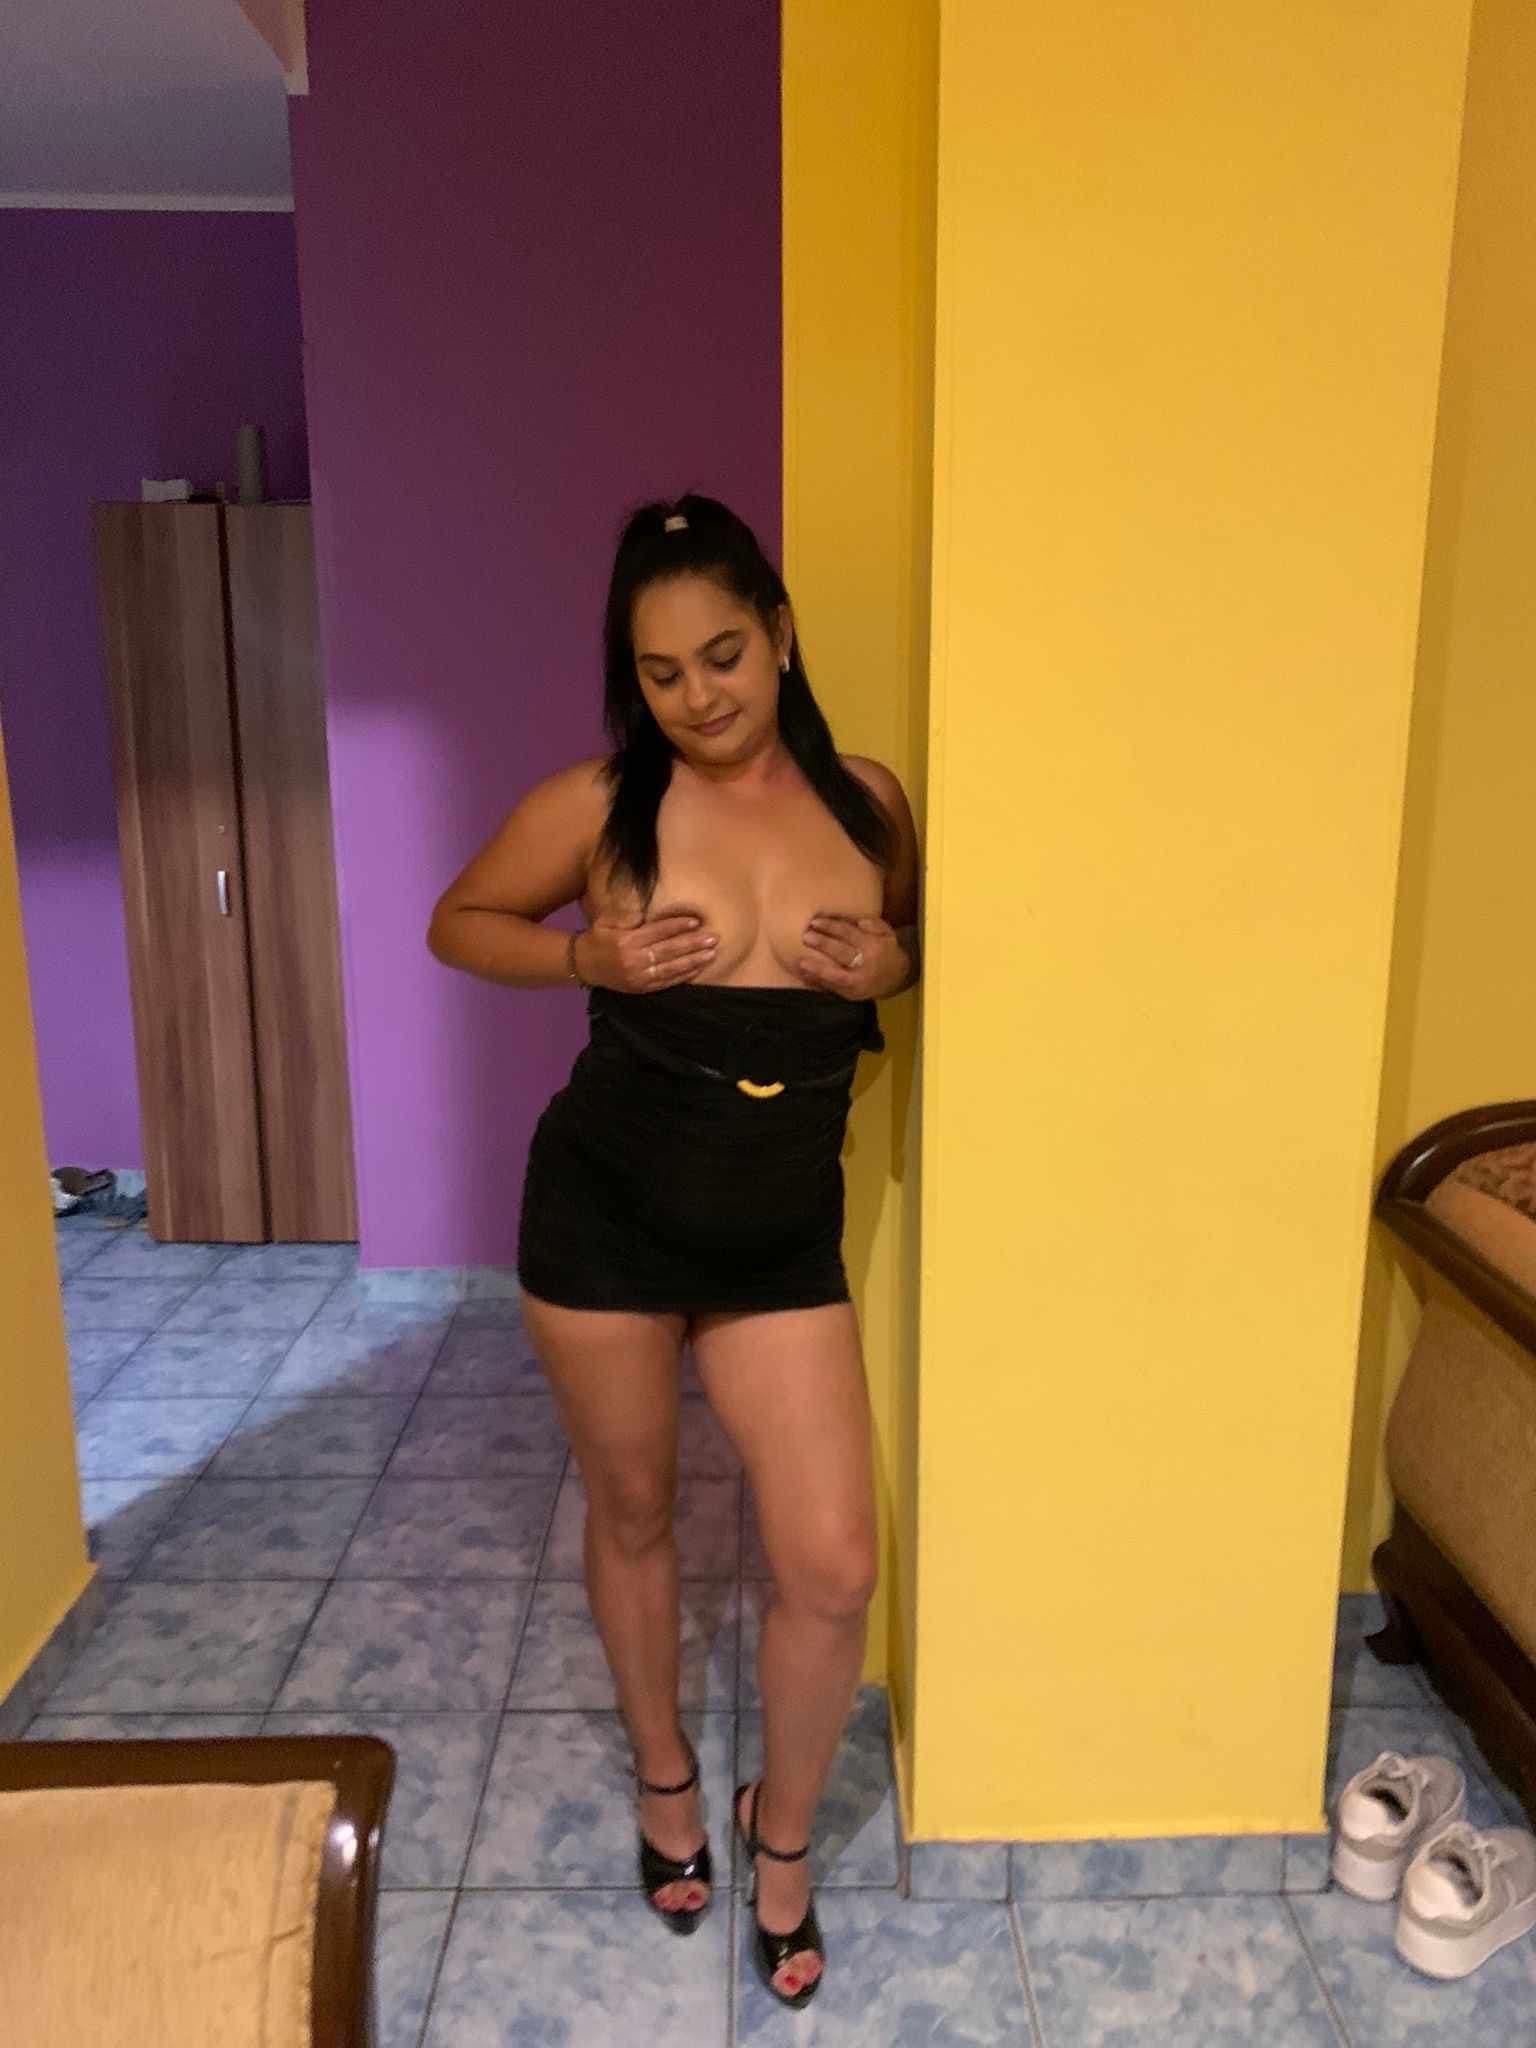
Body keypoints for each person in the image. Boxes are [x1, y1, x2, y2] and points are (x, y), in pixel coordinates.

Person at [428, 492, 920, 2008]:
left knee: (832, 1564)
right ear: (631, 682)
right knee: (635, 1511)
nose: (699, 695)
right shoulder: (596, 806)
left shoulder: (869, 803)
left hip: (777, 1240)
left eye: (722, 655)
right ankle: (663, 1778)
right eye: (660, 672)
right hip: (605, 1223)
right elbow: (459, 921)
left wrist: (898, 962)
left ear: (780, 635)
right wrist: (584, 953)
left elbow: (910, 948)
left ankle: (785, 1838)